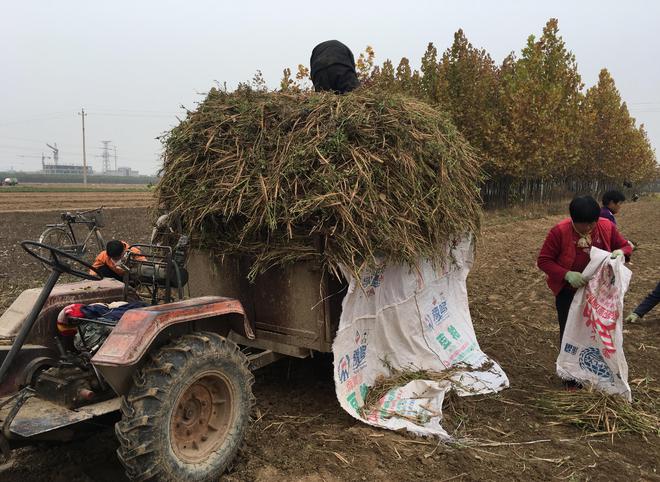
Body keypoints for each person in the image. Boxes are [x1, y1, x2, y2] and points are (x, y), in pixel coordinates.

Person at [537, 196, 632, 347]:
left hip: (599, 292)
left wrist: (621, 251)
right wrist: (566, 274)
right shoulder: (559, 231)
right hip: (569, 292)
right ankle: (569, 365)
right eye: (583, 225)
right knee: (570, 328)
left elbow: (625, 245)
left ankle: (592, 364)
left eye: (592, 223)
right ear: (573, 220)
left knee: (596, 330)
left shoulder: (606, 226)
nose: (588, 228)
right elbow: (544, 260)